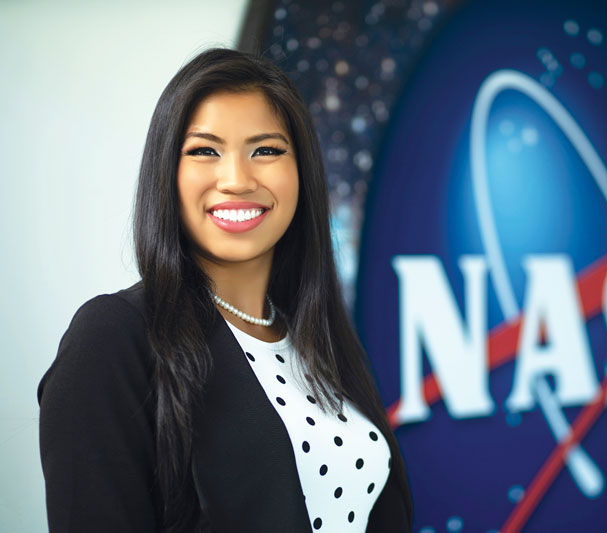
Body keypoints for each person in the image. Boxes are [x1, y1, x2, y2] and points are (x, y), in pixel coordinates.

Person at [37, 47, 413, 532]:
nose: (236, 180)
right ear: (167, 173)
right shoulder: (113, 338)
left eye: (266, 150)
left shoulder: (320, 337)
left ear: (303, 173)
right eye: (204, 151)